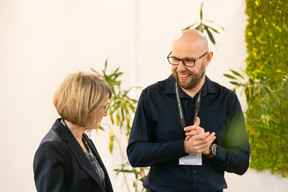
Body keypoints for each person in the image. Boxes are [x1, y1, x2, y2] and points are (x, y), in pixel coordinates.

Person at [127, 29, 250, 192]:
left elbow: (241, 163)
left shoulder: (227, 100)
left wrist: (210, 149)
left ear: (207, 58)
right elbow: (136, 155)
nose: (180, 68)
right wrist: (184, 147)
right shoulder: (151, 96)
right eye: (175, 59)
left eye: (189, 61)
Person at [33, 72, 114, 192]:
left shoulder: (84, 139)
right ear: (87, 107)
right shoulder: (50, 148)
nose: (105, 113)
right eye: (103, 107)